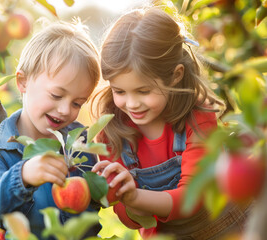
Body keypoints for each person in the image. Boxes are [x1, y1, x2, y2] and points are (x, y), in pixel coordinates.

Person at [91, 7, 250, 240]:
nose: (132, 103)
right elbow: (129, 219)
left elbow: (192, 197)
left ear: (176, 75)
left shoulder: (196, 116)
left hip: (228, 228)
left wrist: (135, 196)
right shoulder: (112, 133)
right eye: (119, 91)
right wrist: (123, 197)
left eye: (143, 91)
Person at [0, 20, 101, 239]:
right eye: (56, 95)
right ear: (23, 82)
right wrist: (22, 176)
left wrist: (104, 184)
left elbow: (93, 205)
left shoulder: (79, 142)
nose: (64, 109)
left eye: (77, 103)